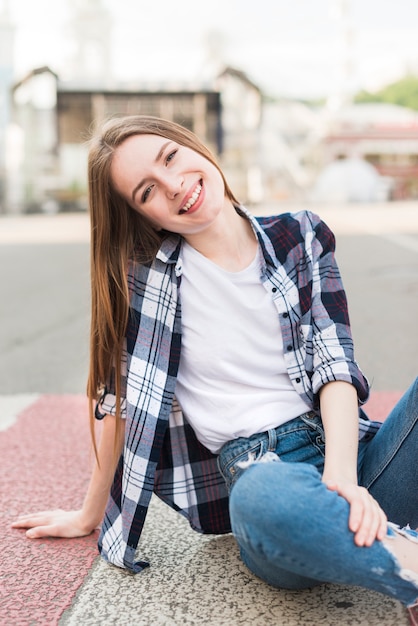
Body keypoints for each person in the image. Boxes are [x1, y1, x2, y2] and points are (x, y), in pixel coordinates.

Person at [12, 116, 418, 624]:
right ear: (143, 216)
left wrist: (342, 477)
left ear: (191, 145)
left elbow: (334, 361)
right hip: (268, 478)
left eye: (170, 157)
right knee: (260, 497)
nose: (175, 185)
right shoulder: (143, 286)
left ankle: (380, 542)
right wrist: (89, 514)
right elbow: (118, 402)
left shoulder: (300, 234)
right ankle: (403, 558)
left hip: (355, 458)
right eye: (147, 191)